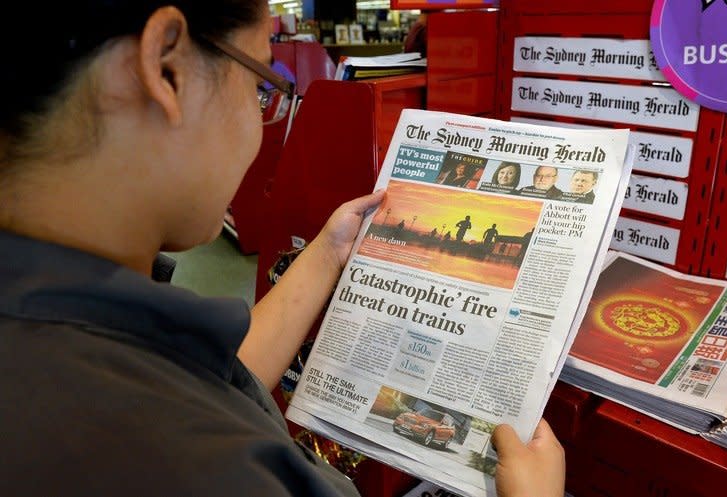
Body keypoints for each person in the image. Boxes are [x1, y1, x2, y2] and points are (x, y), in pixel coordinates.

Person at [0, 2, 564, 496]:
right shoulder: (201, 466)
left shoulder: (62, 328)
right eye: (258, 84)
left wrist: (328, 251)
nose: (257, 117)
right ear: (167, 68)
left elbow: (217, 376)